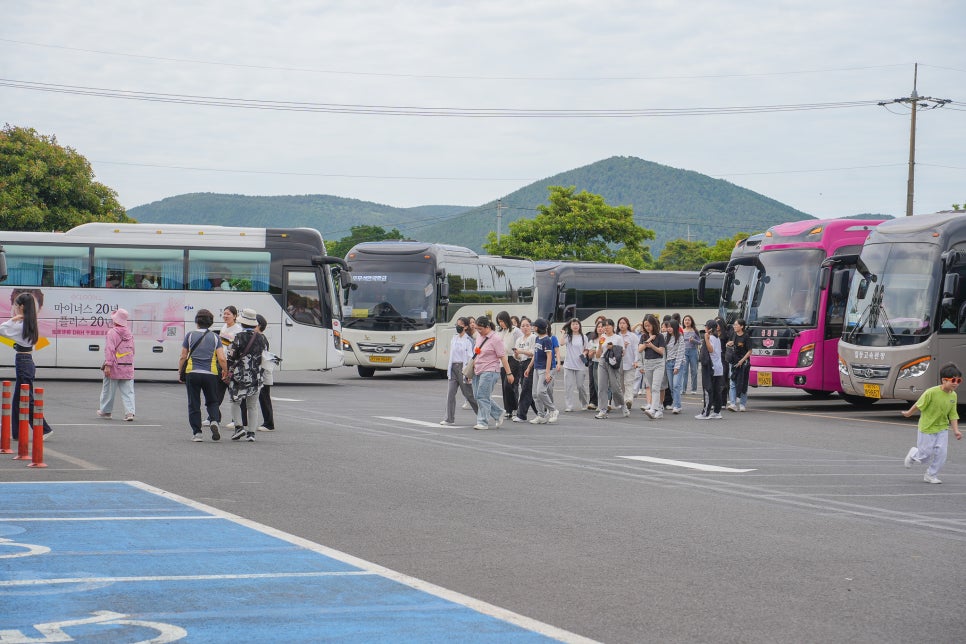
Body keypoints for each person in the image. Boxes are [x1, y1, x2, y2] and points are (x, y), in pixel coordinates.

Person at [1, 292, 53, 439]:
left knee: (25, 399)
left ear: (22, 307)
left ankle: (45, 429)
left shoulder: (21, 325)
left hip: (23, 361)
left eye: (16, 306)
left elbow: (2, 329)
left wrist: (13, 319)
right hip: (26, 361)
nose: (14, 308)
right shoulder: (30, 323)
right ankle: (17, 432)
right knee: (18, 399)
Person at [901, 363, 962, 484]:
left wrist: (956, 430)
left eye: (959, 380)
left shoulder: (953, 395)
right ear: (944, 380)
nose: (956, 383)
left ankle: (931, 474)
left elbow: (953, 414)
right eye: (953, 380)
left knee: (942, 453)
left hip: (942, 428)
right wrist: (908, 413)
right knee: (925, 455)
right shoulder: (931, 392)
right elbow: (919, 404)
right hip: (927, 427)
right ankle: (914, 454)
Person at [179, 308, 227, 442]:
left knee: (194, 403)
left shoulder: (189, 335)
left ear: (197, 322)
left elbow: (183, 356)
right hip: (210, 373)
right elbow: (222, 358)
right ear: (210, 323)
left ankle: (197, 433)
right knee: (212, 401)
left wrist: (180, 371)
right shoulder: (215, 337)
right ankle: (214, 420)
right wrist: (225, 371)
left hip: (192, 373)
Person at [225, 308, 267, 442]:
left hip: (239, 376)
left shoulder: (239, 337)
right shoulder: (262, 339)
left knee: (235, 401)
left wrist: (227, 370)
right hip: (256, 376)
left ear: (242, 323)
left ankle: (239, 428)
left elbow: (231, 356)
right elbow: (265, 357)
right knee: (252, 405)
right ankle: (251, 434)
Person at [471, 316, 514, 430]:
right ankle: (498, 412)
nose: (478, 331)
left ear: (488, 327)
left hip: (490, 370)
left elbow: (503, 357)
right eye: (477, 328)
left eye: (480, 328)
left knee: (482, 396)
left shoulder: (496, 339)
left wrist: (509, 373)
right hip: (478, 369)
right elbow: (477, 353)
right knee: (477, 395)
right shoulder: (479, 337)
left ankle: (483, 422)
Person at [97, 308, 136, 421]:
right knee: (128, 391)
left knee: (108, 390)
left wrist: (108, 365)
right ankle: (129, 413)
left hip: (114, 366)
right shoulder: (129, 332)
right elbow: (133, 350)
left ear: (115, 320)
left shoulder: (112, 332)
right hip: (128, 365)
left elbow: (109, 349)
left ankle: (106, 411)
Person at [242, 314, 278, 432]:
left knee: (264, 397)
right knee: (251, 396)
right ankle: (244, 420)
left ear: (258, 325)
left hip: (262, 372)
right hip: (259, 372)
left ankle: (269, 423)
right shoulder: (258, 337)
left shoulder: (260, 338)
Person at [207, 306, 241, 429]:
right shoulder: (224, 327)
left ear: (235, 316)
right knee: (217, 392)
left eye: (229, 314)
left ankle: (235, 420)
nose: (226, 316)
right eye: (224, 314)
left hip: (231, 363)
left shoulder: (238, 329)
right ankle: (214, 417)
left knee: (233, 392)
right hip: (221, 362)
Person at [440, 316, 478, 426]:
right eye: (457, 324)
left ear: (466, 327)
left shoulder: (469, 340)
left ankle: (482, 414)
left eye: (460, 325)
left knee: (468, 395)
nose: (458, 327)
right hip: (453, 367)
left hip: (463, 368)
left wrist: (469, 372)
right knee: (450, 393)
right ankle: (449, 418)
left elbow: (471, 357)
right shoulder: (454, 338)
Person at [525, 318, 558, 424]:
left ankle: (553, 410)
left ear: (538, 328)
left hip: (545, 369)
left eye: (534, 326)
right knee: (535, 393)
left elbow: (549, 356)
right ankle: (541, 415)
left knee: (541, 391)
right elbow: (535, 354)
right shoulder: (537, 339)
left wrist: (548, 372)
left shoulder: (547, 340)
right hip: (537, 368)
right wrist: (529, 367)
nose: (533, 328)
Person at [594, 319, 629, 419]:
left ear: (613, 327)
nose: (606, 327)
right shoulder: (602, 337)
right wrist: (600, 345)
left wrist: (612, 348)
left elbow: (622, 352)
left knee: (615, 387)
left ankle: (623, 406)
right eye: (605, 326)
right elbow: (597, 355)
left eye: (608, 325)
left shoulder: (618, 338)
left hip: (613, 363)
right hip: (602, 362)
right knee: (602, 386)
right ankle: (602, 410)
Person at [639, 315, 666, 420]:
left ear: (653, 325)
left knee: (655, 387)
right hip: (647, 363)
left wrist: (652, 346)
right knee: (651, 386)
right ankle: (659, 409)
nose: (647, 328)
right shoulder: (644, 337)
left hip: (658, 363)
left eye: (649, 325)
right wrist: (649, 340)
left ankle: (653, 409)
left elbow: (661, 351)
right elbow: (640, 349)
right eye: (645, 326)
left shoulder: (660, 336)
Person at [696, 319, 724, 419]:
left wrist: (706, 339)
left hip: (710, 367)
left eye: (706, 326)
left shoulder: (711, 337)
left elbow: (711, 350)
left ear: (709, 328)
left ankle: (705, 413)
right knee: (717, 390)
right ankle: (717, 411)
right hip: (718, 367)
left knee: (708, 389)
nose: (705, 328)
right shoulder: (717, 338)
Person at [496, 311, 522, 419]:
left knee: (510, 384)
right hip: (503, 359)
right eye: (499, 322)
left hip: (513, 359)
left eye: (502, 321)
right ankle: (508, 410)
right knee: (504, 386)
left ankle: (515, 407)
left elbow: (520, 342)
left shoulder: (515, 331)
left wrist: (518, 354)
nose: (501, 324)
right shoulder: (499, 331)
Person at [512, 317, 538, 423]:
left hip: (530, 363)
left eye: (527, 325)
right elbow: (517, 356)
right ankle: (542, 412)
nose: (525, 327)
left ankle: (521, 415)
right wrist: (517, 354)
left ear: (531, 326)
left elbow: (533, 352)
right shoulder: (519, 339)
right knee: (527, 389)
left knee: (525, 389)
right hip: (521, 364)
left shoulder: (533, 337)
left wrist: (521, 351)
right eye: (523, 326)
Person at [561, 318, 589, 412]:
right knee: (568, 386)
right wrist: (563, 333)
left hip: (580, 364)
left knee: (580, 386)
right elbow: (561, 343)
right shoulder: (568, 336)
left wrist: (584, 354)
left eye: (577, 324)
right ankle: (569, 406)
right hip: (568, 364)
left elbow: (586, 349)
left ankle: (584, 403)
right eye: (573, 324)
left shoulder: (583, 337)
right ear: (570, 326)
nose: (575, 326)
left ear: (579, 326)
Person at [726, 319, 751, 412]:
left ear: (742, 326)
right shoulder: (733, 335)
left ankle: (742, 404)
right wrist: (728, 344)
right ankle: (732, 403)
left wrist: (742, 361)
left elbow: (749, 351)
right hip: (733, 362)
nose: (734, 326)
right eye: (734, 325)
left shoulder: (746, 337)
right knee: (732, 382)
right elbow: (728, 345)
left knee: (743, 383)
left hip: (744, 363)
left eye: (736, 325)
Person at [663, 318, 685, 415]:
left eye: (671, 327)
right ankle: (676, 403)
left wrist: (677, 367)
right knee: (671, 386)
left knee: (676, 385)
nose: (669, 329)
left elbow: (680, 353)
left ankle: (677, 406)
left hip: (679, 363)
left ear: (676, 327)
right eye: (668, 327)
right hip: (668, 363)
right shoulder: (665, 337)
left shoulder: (680, 337)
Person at [617, 317, 639, 410]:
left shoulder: (632, 336)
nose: (622, 325)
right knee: (621, 384)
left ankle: (628, 400)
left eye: (624, 323)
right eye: (620, 323)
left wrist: (636, 360)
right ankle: (623, 401)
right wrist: (622, 347)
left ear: (627, 325)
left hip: (630, 363)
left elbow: (636, 349)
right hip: (618, 364)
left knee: (628, 383)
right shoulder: (616, 336)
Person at [586, 317, 605, 411]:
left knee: (603, 384)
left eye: (602, 326)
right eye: (598, 326)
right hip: (594, 363)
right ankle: (595, 402)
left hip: (604, 363)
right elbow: (589, 356)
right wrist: (591, 352)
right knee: (595, 383)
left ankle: (604, 403)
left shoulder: (607, 338)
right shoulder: (592, 340)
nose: (600, 328)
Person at [681, 315, 700, 394]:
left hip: (693, 351)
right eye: (685, 320)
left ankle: (694, 389)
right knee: (684, 371)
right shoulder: (682, 331)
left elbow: (700, 342)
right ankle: (683, 389)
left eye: (688, 320)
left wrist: (694, 340)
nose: (687, 321)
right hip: (684, 351)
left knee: (694, 370)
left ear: (691, 321)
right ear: (683, 322)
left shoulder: (695, 331)